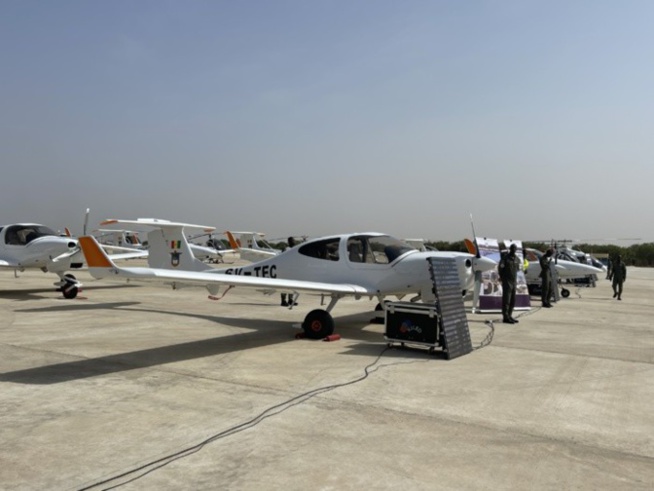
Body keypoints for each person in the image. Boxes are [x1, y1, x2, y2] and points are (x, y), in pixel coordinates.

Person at [498, 243, 521, 324]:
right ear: (510, 249)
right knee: (506, 300)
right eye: (512, 248)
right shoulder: (505, 259)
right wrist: (503, 278)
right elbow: (500, 269)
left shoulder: (517, 259)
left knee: (512, 299)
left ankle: (510, 315)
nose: (513, 250)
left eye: (515, 248)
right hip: (507, 281)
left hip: (514, 281)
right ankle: (505, 317)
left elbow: (518, 269)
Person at [281, 237, 297, 307]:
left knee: (292, 286)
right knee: (284, 286)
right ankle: (283, 301)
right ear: (289, 242)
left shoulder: (295, 249)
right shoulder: (286, 249)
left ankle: (290, 299)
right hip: (286, 270)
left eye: (294, 241)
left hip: (292, 270)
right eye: (292, 241)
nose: (294, 242)